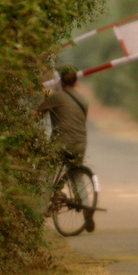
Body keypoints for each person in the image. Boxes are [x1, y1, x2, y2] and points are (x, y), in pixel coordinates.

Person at [38, 65, 95, 231]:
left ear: (61, 82)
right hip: (80, 143)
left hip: (61, 142)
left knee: (47, 174)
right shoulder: (84, 100)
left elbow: (37, 113)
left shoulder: (56, 97)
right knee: (76, 175)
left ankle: (39, 212)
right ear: (76, 82)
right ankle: (86, 208)